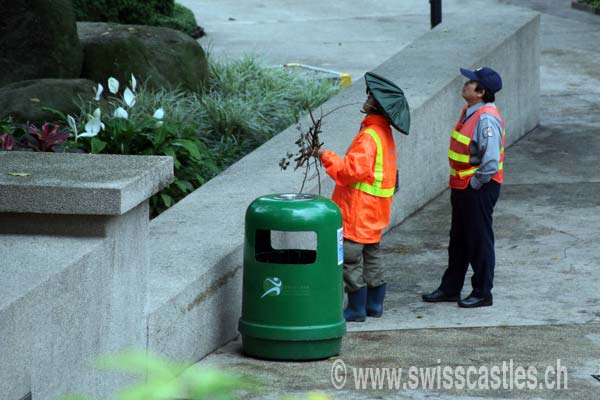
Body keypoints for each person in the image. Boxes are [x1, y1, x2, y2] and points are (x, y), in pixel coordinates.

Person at [316, 72, 410, 322]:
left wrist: (326, 156)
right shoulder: (384, 135)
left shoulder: (368, 137)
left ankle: (356, 309)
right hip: (376, 211)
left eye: (371, 96)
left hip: (357, 210)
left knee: (350, 260)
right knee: (372, 256)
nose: (367, 98)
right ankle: (374, 305)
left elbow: (349, 172)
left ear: (376, 106)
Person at [422, 67, 505, 308]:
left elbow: (489, 163)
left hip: (477, 187)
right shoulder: (470, 111)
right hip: (462, 185)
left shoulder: (486, 118)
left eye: (471, 82)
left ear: (480, 92)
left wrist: (474, 183)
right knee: (458, 239)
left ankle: (482, 292)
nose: (466, 84)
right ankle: (450, 289)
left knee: (479, 241)